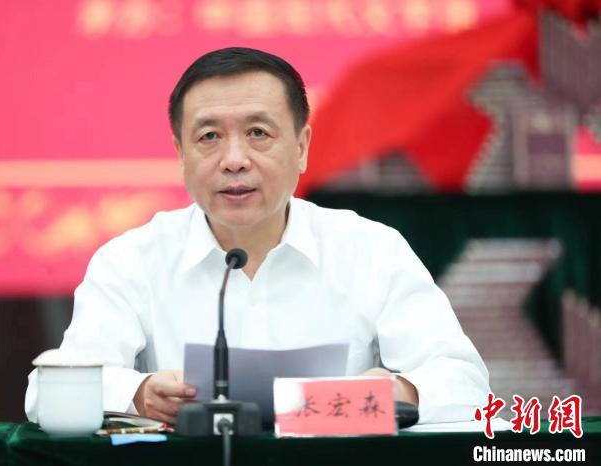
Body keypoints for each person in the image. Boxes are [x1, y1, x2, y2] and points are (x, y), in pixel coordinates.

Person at [25, 47, 489, 425]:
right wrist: (140, 393)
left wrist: (399, 391)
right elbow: (46, 393)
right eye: (209, 137)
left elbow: (466, 383)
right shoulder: (131, 260)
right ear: (180, 154)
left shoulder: (371, 250)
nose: (234, 160)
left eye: (258, 133)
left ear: (302, 147)